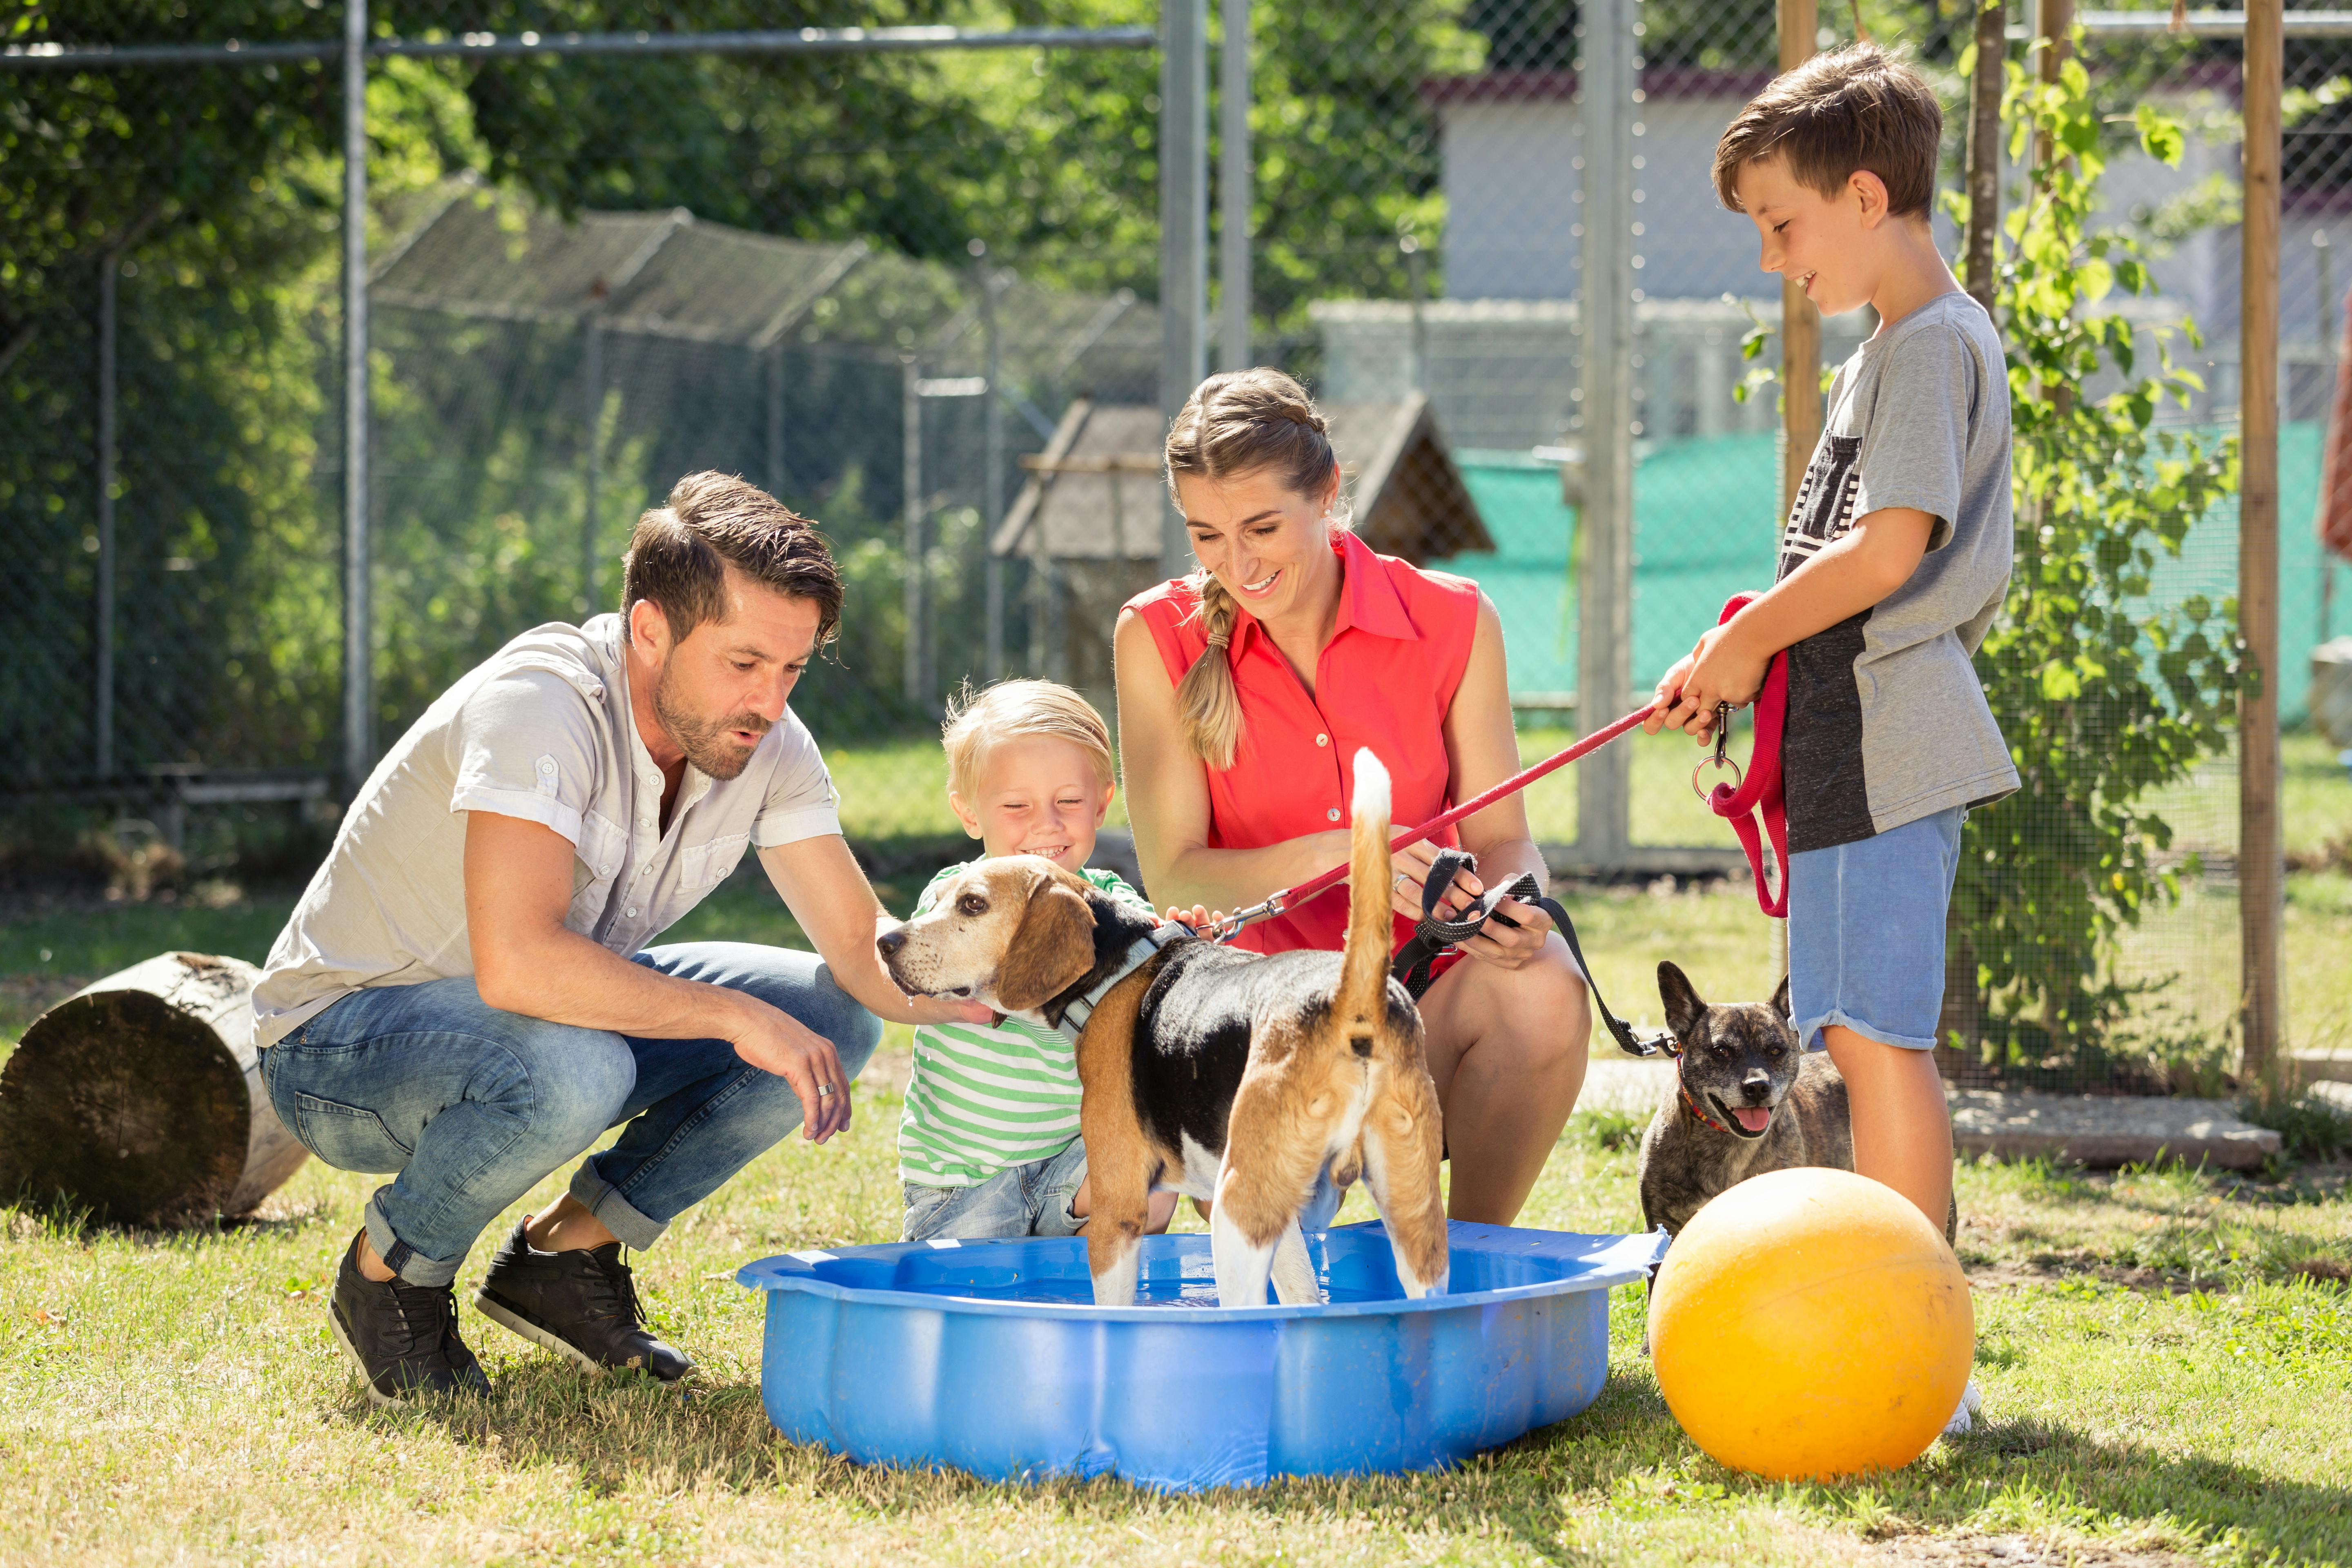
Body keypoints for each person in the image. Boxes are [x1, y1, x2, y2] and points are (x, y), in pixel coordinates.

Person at [252, 472, 990, 1405]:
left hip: (538, 1019)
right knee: (587, 1067)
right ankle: (390, 1276)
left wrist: (1010, 992)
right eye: (744, 663)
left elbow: (860, 945)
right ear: (650, 629)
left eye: (792, 669)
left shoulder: (765, 739)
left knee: (828, 1015)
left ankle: (565, 1260)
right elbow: (519, 962)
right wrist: (731, 1019)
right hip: (338, 1047)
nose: (769, 702)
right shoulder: (541, 705)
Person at [1651, 45, 2017, 1257]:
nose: (1772, 258)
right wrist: (1738, 651)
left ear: (1866, 197)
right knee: (1858, 1029)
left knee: (1874, 1042)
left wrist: (1754, 637)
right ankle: (1886, 1306)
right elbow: (1841, 565)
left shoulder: (1923, 345)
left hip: (1886, 753)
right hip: (1844, 751)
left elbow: (1887, 552)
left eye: (1782, 223)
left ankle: (1916, 1319)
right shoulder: (1886, 351)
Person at [1113, 368, 1593, 1227]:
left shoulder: (1453, 619)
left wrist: (1511, 901)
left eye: (1263, 527)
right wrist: (1340, 856)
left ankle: (1467, 1263)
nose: (1238, 564)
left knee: (1545, 987)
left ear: (1330, 492)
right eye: (1207, 536)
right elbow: (1176, 875)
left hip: (1423, 1002)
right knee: (1281, 1262)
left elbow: (1503, 837)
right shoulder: (1155, 635)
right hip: (1251, 1030)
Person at [895, 679, 1183, 1241]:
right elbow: (995, 988)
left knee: (1159, 1158)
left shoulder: (1118, 910)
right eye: (1016, 806)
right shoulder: (955, 901)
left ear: (1102, 802)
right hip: (966, 1186)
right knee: (972, 1311)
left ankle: (1100, 1277)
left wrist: (1181, 948)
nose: (1046, 823)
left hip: (1074, 1171)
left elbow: (1153, 1006)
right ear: (970, 813)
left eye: (1069, 802)